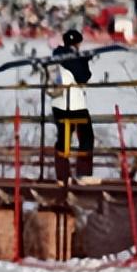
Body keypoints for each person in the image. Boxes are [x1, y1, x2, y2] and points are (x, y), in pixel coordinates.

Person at [47, 29, 95, 183]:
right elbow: (83, 77)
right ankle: (84, 174)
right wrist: (85, 60)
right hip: (74, 105)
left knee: (63, 139)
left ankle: (62, 176)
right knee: (86, 137)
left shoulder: (56, 55)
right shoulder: (73, 57)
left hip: (58, 103)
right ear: (77, 43)